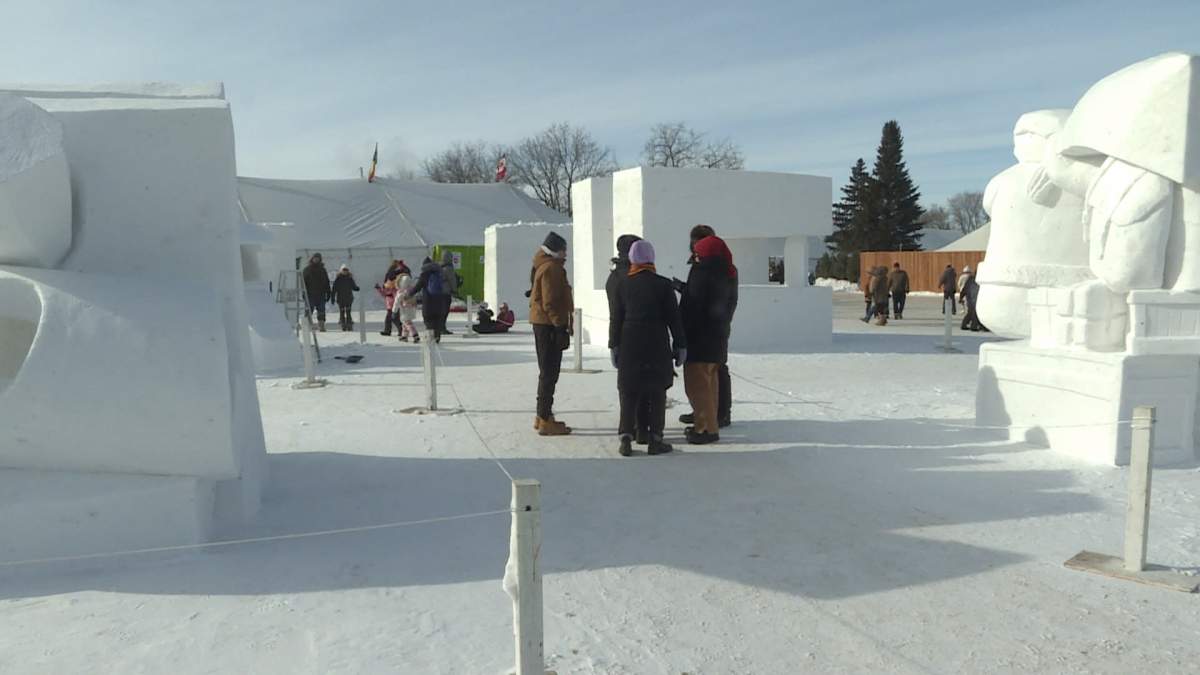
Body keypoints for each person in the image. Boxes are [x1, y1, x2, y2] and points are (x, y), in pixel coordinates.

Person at [609, 240, 686, 456]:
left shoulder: (622, 284)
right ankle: (655, 438)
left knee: (629, 390)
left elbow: (616, 318)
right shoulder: (663, 285)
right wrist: (680, 344)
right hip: (656, 341)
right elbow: (674, 318)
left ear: (632, 259)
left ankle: (626, 436)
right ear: (651, 259)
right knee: (656, 389)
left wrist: (613, 345)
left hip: (629, 341)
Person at [677, 224, 736, 429]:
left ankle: (715, 417)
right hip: (717, 329)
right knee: (711, 375)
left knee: (707, 377)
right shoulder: (725, 267)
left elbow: (700, 301)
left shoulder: (707, 269)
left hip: (704, 333)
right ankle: (709, 415)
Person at [605, 233, 651, 443]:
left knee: (626, 386)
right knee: (644, 384)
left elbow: (614, 313)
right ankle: (642, 427)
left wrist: (613, 342)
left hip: (623, 336)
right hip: (641, 334)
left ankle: (628, 427)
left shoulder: (614, 276)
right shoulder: (632, 275)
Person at [529, 231, 573, 435]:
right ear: (555, 250)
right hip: (548, 325)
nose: (566, 254)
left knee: (546, 371)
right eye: (564, 249)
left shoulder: (543, 265)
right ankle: (545, 419)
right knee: (549, 372)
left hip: (542, 323)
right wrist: (559, 326)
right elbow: (551, 301)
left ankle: (542, 415)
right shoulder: (552, 269)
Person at [407, 256, 449, 341]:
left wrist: (409, 294)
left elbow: (417, 287)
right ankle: (437, 337)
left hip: (428, 301)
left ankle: (431, 337)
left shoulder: (424, 275)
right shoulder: (440, 272)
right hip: (440, 300)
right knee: (437, 320)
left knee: (428, 319)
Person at [302, 253, 332, 331]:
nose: (316, 259)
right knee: (309, 310)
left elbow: (326, 282)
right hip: (310, 294)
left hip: (321, 294)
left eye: (318, 258)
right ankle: (307, 326)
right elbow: (303, 282)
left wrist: (328, 292)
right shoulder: (307, 269)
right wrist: (304, 293)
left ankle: (321, 325)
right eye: (315, 258)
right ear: (312, 259)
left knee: (321, 310)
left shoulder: (322, 269)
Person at [330, 264, 360, 331]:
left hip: (348, 298)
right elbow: (334, 289)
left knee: (348, 311)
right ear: (341, 271)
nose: (345, 271)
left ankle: (349, 324)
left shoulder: (349, 278)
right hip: (340, 298)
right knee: (342, 311)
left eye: (346, 270)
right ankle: (343, 324)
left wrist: (356, 288)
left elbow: (353, 286)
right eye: (344, 270)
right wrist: (332, 297)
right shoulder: (338, 279)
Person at [395, 268, 419, 342]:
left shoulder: (401, 292)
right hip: (412, 308)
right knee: (405, 322)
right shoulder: (411, 290)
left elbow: (397, 301)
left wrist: (394, 310)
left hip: (404, 309)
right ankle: (404, 336)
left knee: (407, 322)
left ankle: (415, 335)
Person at [439, 251, 459, 335]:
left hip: (438, 292)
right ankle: (442, 328)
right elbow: (452, 280)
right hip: (446, 292)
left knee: (440, 311)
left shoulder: (439, 266)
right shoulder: (449, 268)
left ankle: (439, 327)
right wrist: (455, 290)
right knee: (445, 311)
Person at [960, 267, 984, 331]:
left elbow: (964, 289)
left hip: (973, 298)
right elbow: (965, 289)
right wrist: (961, 297)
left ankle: (965, 325)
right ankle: (974, 326)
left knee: (972, 312)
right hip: (973, 298)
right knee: (975, 312)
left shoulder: (972, 279)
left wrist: (961, 296)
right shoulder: (974, 280)